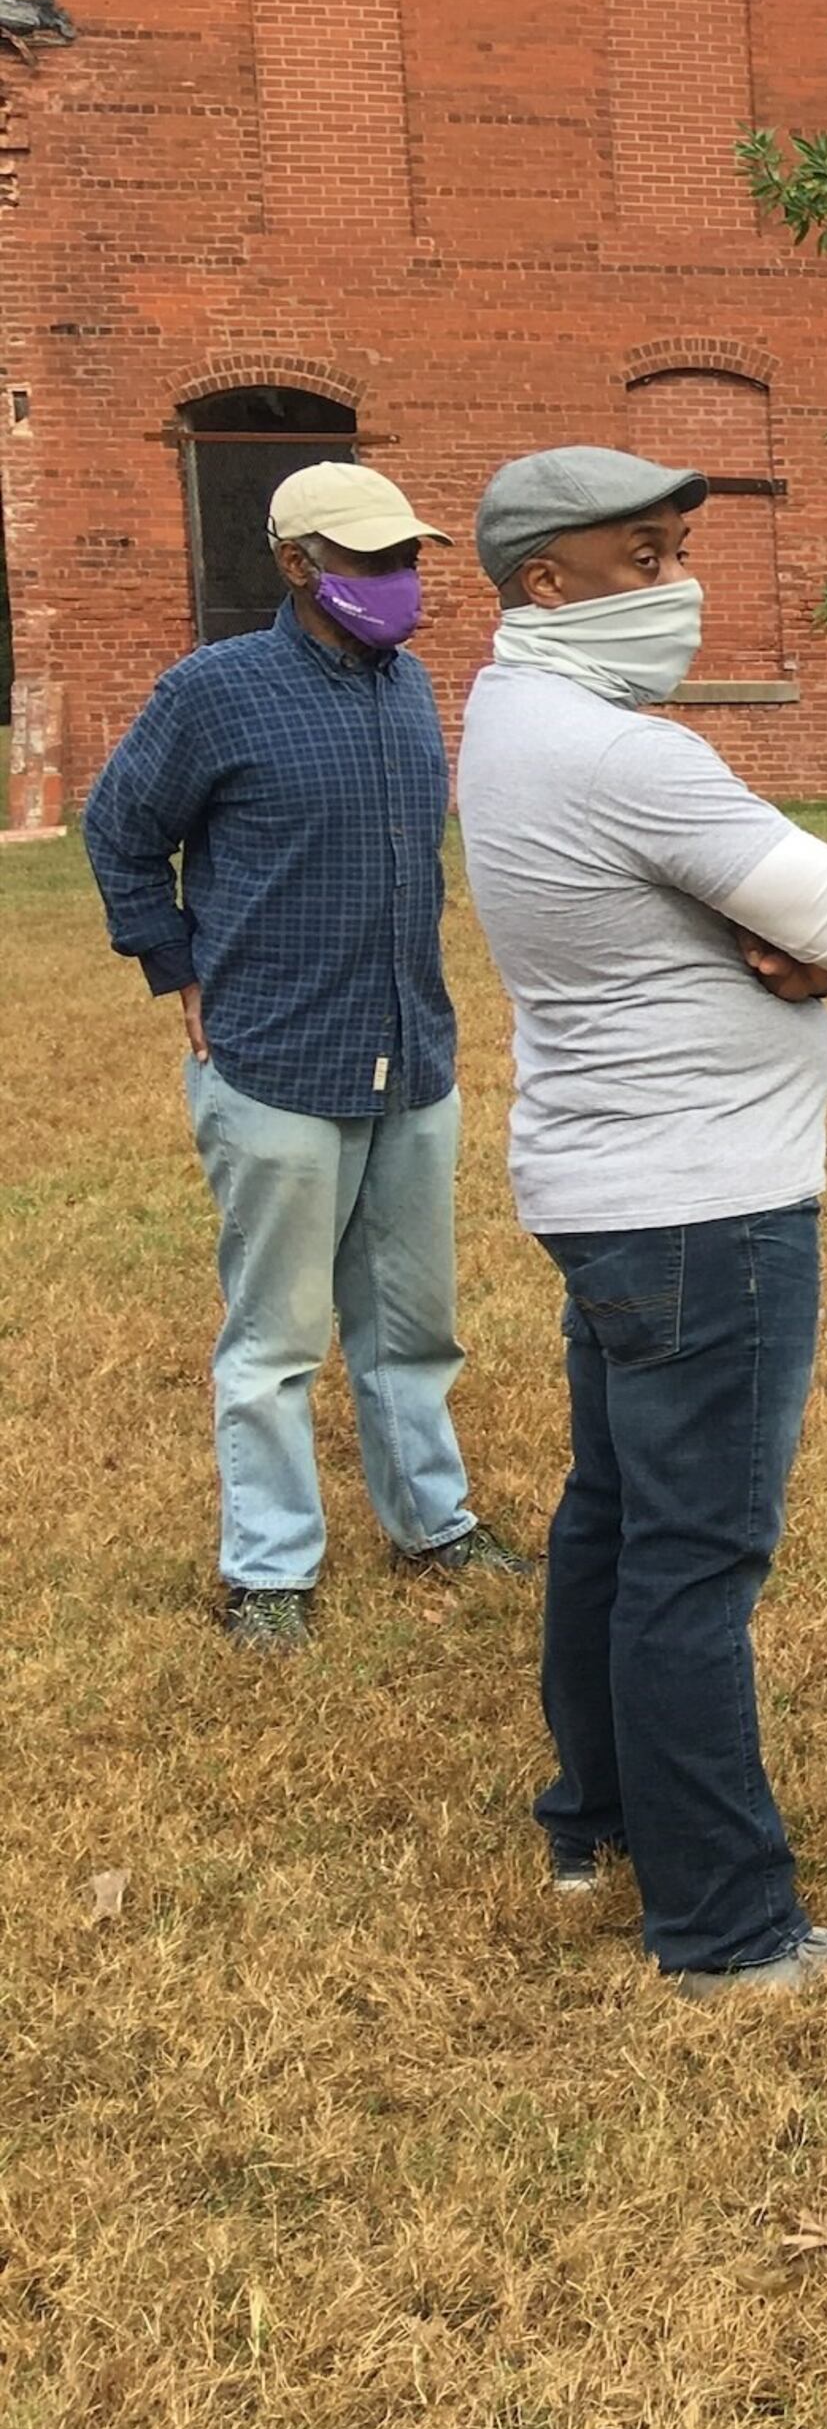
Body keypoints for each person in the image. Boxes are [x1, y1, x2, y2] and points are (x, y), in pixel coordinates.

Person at [454, 444, 827, 1993]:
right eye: (645, 556)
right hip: (705, 1201)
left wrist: (789, 937)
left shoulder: (507, 720)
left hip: (606, 1185)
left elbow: (794, 920)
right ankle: (732, 1934)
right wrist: (813, 943)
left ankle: (593, 1818)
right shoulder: (630, 757)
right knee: (695, 1556)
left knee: (610, 1517)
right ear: (548, 580)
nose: (681, 586)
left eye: (681, 548)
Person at [81, 460, 531, 1652]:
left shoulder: (407, 686)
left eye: (406, 558)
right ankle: (269, 1569)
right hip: (274, 1060)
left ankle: (433, 1521)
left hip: (410, 1056)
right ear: (295, 563)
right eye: (368, 558)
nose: (395, 579)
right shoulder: (214, 692)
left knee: (412, 1323)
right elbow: (121, 828)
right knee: (276, 1339)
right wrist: (171, 963)